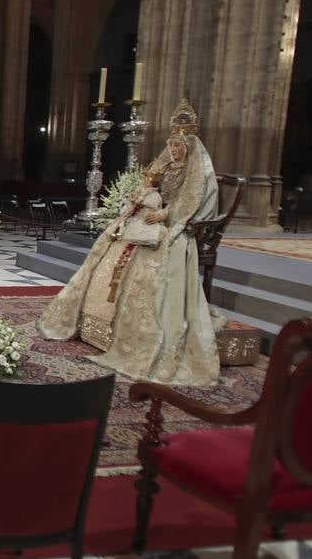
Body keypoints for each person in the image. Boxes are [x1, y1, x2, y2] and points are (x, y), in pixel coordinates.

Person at [40, 98, 221, 388]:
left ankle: (137, 336)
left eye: (178, 146)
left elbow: (193, 205)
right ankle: (93, 324)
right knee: (111, 245)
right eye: (170, 145)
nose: (172, 150)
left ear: (188, 146)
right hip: (150, 226)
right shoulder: (168, 165)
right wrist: (145, 194)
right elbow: (151, 185)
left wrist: (165, 215)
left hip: (178, 231)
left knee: (146, 267)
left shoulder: (197, 171)